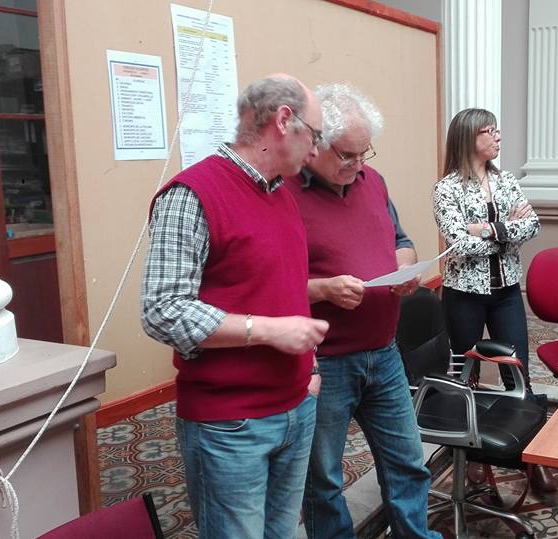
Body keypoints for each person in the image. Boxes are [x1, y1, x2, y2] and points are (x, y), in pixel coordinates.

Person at [140, 74, 330, 539]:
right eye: (315, 135)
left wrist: (310, 369)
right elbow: (163, 310)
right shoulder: (191, 195)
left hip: (295, 406)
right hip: (230, 425)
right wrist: (268, 331)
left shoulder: (281, 194)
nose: (316, 151)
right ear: (283, 121)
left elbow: (280, 289)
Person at [284, 84, 440, 539]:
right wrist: (322, 289)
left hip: (384, 352)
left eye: (363, 153)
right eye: (347, 155)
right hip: (325, 361)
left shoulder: (373, 181)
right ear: (314, 144)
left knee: (407, 463)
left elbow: (401, 241)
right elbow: (267, 287)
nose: (357, 165)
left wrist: (405, 267)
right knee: (324, 480)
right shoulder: (283, 194)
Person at [432, 107, 558, 493]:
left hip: (506, 293)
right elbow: (459, 244)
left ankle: (533, 459)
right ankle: (470, 456)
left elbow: (532, 225)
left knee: (518, 374)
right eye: (489, 130)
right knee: (465, 376)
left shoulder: (506, 181)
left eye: (497, 129)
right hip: (463, 295)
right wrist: (505, 231)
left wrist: (485, 228)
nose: (498, 136)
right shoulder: (447, 189)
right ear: (469, 137)